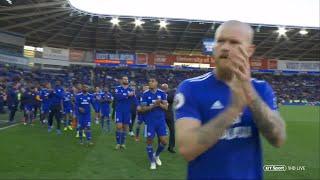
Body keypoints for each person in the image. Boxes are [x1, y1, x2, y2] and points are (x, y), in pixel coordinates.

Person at [174, 20, 286, 179]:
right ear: (214, 47)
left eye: (234, 42)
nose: (225, 47)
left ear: (249, 50)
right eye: (220, 41)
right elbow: (187, 149)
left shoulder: (261, 89)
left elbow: (278, 139)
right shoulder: (191, 88)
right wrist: (233, 109)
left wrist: (250, 94)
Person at [139, 78, 168, 170]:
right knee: (149, 141)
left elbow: (166, 107)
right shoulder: (145, 94)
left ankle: (156, 155)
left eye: (152, 81)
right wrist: (154, 105)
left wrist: (159, 104)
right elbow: (143, 109)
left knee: (164, 141)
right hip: (150, 121)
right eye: (149, 81)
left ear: (156, 83)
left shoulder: (162, 93)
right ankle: (152, 161)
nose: (150, 83)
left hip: (161, 121)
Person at [114, 76, 135, 150]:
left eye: (127, 79)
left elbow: (134, 99)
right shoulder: (118, 88)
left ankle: (122, 143)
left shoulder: (131, 89)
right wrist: (127, 95)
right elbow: (117, 97)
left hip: (127, 111)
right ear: (121, 80)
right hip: (119, 110)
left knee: (125, 128)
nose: (126, 80)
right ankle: (118, 143)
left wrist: (138, 106)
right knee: (119, 126)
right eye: (124, 79)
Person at [161, 83, 176, 153]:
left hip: (168, 114)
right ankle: (164, 146)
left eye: (165, 88)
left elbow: (170, 99)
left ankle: (171, 147)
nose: (165, 89)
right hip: (164, 114)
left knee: (172, 130)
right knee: (161, 131)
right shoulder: (162, 94)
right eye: (164, 88)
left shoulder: (169, 93)